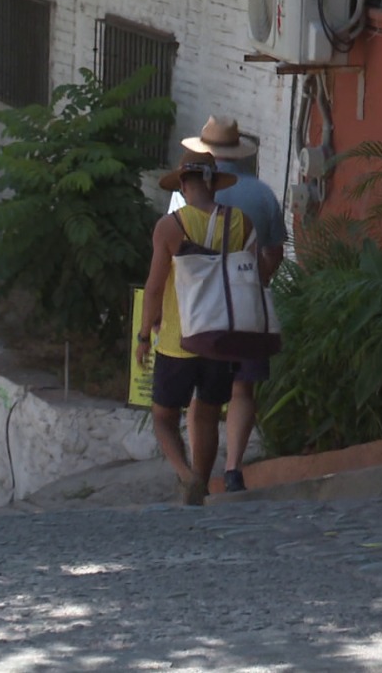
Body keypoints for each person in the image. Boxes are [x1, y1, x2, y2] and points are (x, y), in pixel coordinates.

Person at [168, 117, 286, 493]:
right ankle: (233, 467)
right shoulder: (263, 194)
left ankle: (197, 477)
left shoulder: (185, 193)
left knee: (202, 400)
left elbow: (171, 252)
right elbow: (274, 252)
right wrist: (255, 279)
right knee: (243, 390)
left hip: (202, 312)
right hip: (245, 306)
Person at [137, 150, 253, 505]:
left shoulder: (171, 227)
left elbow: (155, 287)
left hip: (177, 339)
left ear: (184, 185)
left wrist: (144, 336)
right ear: (213, 184)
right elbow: (252, 276)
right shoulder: (241, 222)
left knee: (163, 418)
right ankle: (199, 490)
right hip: (221, 338)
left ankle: (187, 477)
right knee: (205, 414)